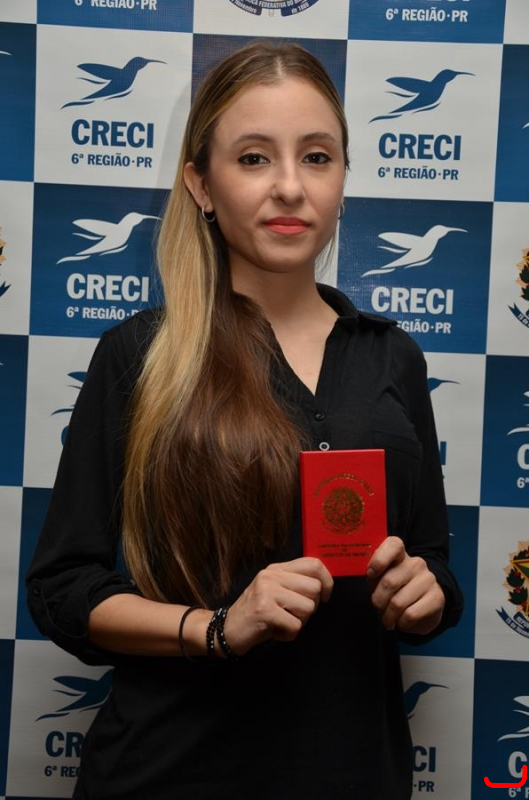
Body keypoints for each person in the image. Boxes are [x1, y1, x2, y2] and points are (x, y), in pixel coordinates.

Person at [27, 41, 463, 800]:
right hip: (168, 774)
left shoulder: (393, 356)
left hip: (353, 774)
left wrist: (425, 598)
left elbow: (432, 564)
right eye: (254, 158)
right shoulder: (139, 354)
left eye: (317, 157)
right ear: (201, 183)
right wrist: (217, 629)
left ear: (342, 178)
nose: (290, 187)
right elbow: (63, 590)